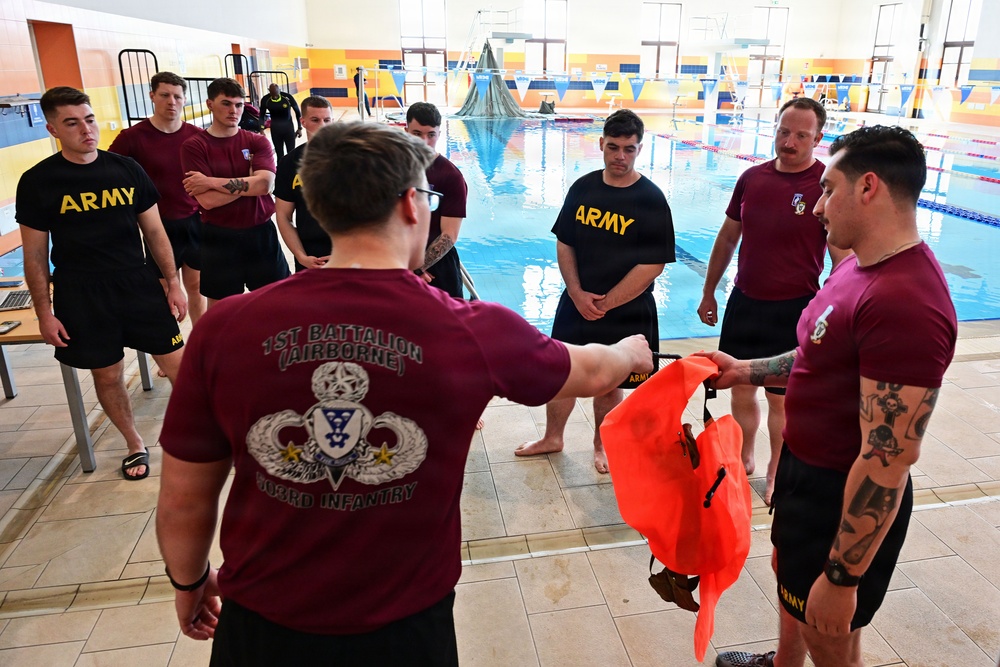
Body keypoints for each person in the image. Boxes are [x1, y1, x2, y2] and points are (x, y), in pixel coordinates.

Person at [155, 121, 653, 665]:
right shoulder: (474, 329)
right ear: (413, 206)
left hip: (261, 622)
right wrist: (630, 351)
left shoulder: (224, 327)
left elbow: (184, 494)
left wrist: (188, 582)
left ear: (319, 208)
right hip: (404, 626)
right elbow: (590, 372)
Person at [709, 126, 957, 667]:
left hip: (839, 496)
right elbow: (819, 355)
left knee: (830, 634)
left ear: (868, 188)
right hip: (804, 469)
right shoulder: (858, 269)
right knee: (795, 596)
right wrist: (746, 370)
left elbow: (886, 461)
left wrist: (843, 578)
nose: (818, 206)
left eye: (828, 189)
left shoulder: (906, 305)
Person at [16, 87, 187, 481]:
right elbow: (35, 256)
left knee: (178, 364)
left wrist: (172, 284)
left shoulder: (126, 169)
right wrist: (45, 312)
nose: (85, 130)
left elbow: (156, 233)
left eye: (89, 119)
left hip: (137, 282)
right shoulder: (39, 181)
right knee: (107, 374)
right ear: (53, 129)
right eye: (72, 123)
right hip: (81, 292)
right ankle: (134, 444)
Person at [697, 97, 851, 505]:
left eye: (801, 135)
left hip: (795, 307)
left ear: (818, 138)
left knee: (781, 399)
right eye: (784, 131)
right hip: (745, 302)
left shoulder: (826, 184)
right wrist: (709, 290)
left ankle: (777, 466)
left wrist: (835, 311)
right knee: (739, 388)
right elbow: (729, 237)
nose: (790, 141)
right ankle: (745, 453)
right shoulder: (751, 178)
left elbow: (841, 256)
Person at [516, 109, 676, 473]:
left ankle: (602, 446)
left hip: (625, 308)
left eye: (629, 149)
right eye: (614, 147)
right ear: (601, 144)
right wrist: (575, 292)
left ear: (640, 149)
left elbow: (654, 264)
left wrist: (607, 303)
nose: (620, 156)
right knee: (561, 373)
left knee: (610, 383)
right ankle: (552, 437)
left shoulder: (650, 199)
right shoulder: (583, 187)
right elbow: (565, 241)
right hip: (577, 301)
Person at [180, 77, 289, 308]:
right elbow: (208, 201)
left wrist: (210, 181)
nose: (234, 110)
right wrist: (250, 181)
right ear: (210, 104)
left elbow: (265, 186)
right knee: (222, 309)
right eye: (226, 104)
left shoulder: (258, 141)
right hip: (219, 238)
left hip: (261, 234)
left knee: (274, 304)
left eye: (239, 105)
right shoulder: (195, 146)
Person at [109, 71, 207, 326]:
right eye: (164, 95)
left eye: (177, 96)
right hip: (158, 226)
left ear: (185, 99)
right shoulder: (132, 137)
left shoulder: (197, 136)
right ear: (152, 96)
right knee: (166, 289)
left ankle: (200, 343)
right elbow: (109, 174)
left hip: (195, 220)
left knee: (196, 285)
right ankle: (171, 348)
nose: (171, 101)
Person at [404, 102, 468, 298]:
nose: (424, 141)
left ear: (439, 133)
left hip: (436, 270)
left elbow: (449, 235)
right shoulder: (393, 168)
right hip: (398, 263)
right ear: (406, 131)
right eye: (417, 134)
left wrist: (415, 269)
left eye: (431, 135)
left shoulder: (450, 176)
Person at [274, 96, 334, 271]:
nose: (322, 126)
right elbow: (284, 217)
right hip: (309, 257)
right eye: (315, 120)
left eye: (327, 120)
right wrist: (301, 256)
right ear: (304, 122)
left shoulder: (353, 160)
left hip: (349, 256)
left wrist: (351, 252)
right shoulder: (289, 163)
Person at [259, 82, 302, 162]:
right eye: (273, 95)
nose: (275, 97)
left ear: (279, 90)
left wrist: (299, 128)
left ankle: (292, 172)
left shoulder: (287, 97)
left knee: (291, 152)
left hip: (288, 128)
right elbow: (261, 115)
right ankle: (281, 172)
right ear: (269, 91)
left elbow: (298, 113)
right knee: (279, 154)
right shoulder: (265, 99)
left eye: (276, 94)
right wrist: (261, 129)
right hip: (275, 129)